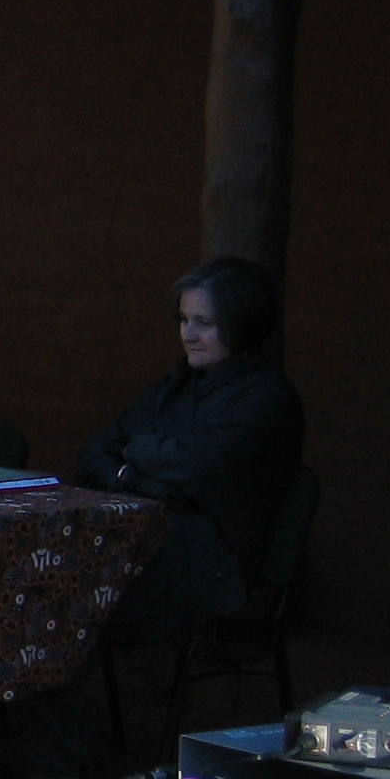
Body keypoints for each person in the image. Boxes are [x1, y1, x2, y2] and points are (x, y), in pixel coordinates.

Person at [79, 257, 304, 646]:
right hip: (150, 545)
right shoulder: (176, 387)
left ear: (242, 325)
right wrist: (131, 476)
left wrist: (137, 448)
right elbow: (97, 452)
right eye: (185, 320)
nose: (189, 335)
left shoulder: (267, 398)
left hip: (216, 568)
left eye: (205, 323)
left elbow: (197, 466)